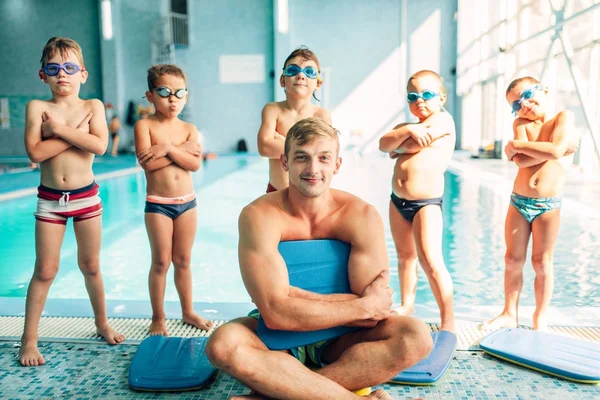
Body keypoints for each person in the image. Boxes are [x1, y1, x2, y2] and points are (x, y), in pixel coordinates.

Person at [206, 118, 432, 400]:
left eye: (324, 158)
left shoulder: (360, 215)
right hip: (274, 340)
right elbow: (276, 315)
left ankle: (277, 393)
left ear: (336, 165)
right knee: (222, 345)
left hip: (341, 339)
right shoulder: (259, 215)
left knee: (416, 337)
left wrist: (290, 296)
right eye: (302, 157)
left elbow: (374, 313)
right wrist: (359, 305)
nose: (313, 169)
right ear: (285, 162)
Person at [20, 37, 125, 366]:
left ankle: (102, 324)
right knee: (45, 270)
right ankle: (28, 340)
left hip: (86, 198)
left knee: (91, 266)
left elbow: (100, 147)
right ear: (43, 75)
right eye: (53, 69)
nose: (61, 74)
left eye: (69, 68)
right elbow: (35, 153)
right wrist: (75, 133)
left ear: (83, 73)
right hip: (50, 200)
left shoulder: (92, 105)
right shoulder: (37, 108)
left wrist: (57, 130)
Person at [481, 77, 578, 332]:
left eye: (527, 95)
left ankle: (539, 318)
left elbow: (556, 150)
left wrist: (516, 146)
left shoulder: (563, 118)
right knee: (512, 259)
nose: (523, 105)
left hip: (548, 205)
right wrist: (535, 150)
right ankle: (509, 313)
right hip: (519, 201)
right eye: (515, 104)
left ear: (544, 90)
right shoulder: (520, 123)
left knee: (541, 262)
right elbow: (521, 162)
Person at [134, 64, 213, 336]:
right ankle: (158, 317)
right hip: (158, 204)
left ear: (186, 97)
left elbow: (194, 165)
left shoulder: (190, 129)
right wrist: (181, 151)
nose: (173, 99)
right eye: (165, 92)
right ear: (150, 95)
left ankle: (188, 311)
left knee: (184, 260)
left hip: (187, 203)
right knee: (160, 263)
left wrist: (166, 147)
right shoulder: (144, 125)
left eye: (179, 93)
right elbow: (148, 164)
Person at [378, 70, 456, 333]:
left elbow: (409, 145)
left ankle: (449, 321)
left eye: (427, 94)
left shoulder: (444, 121)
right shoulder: (407, 126)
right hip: (398, 201)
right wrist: (408, 131)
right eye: (413, 96)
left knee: (432, 261)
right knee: (405, 257)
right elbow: (382, 143)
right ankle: (407, 304)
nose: (420, 100)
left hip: (426, 204)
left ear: (441, 97)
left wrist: (399, 143)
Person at [257, 47, 331, 193]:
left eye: (309, 72)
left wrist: (280, 141)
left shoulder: (321, 116)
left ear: (318, 83)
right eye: (292, 70)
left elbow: (323, 155)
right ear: (282, 80)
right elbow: (264, 148)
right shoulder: (273, 110)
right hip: (276, 192)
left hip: (309, 194)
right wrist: (305, 149)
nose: (300, 75)